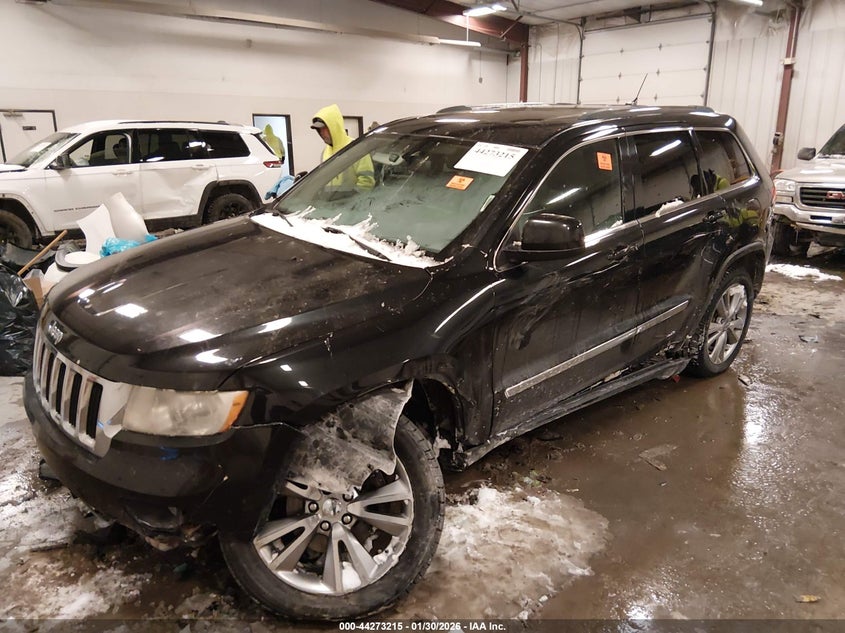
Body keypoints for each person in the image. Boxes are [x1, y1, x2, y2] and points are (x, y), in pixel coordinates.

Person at [311, 103, 375, 193]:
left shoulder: (356, 148)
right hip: (328, 205)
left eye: (324, 129)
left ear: (334, 127)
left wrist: (350, 197)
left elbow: (367, 182)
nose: (322, 133)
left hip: (350, 205)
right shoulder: (325, 152)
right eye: (319, 130)